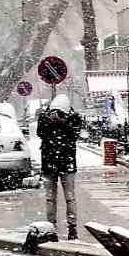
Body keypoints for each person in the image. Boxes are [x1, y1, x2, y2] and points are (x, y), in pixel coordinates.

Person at [36, 94, 85, 239]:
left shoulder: (73, 118)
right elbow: (41, 133)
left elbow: (74, 134)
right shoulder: (46, 117)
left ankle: (70, 226)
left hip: (59, 162)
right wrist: (52, 122)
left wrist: (63, 122)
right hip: (59, 162)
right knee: (59, 197)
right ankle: (54, 225)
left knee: (63, 197)